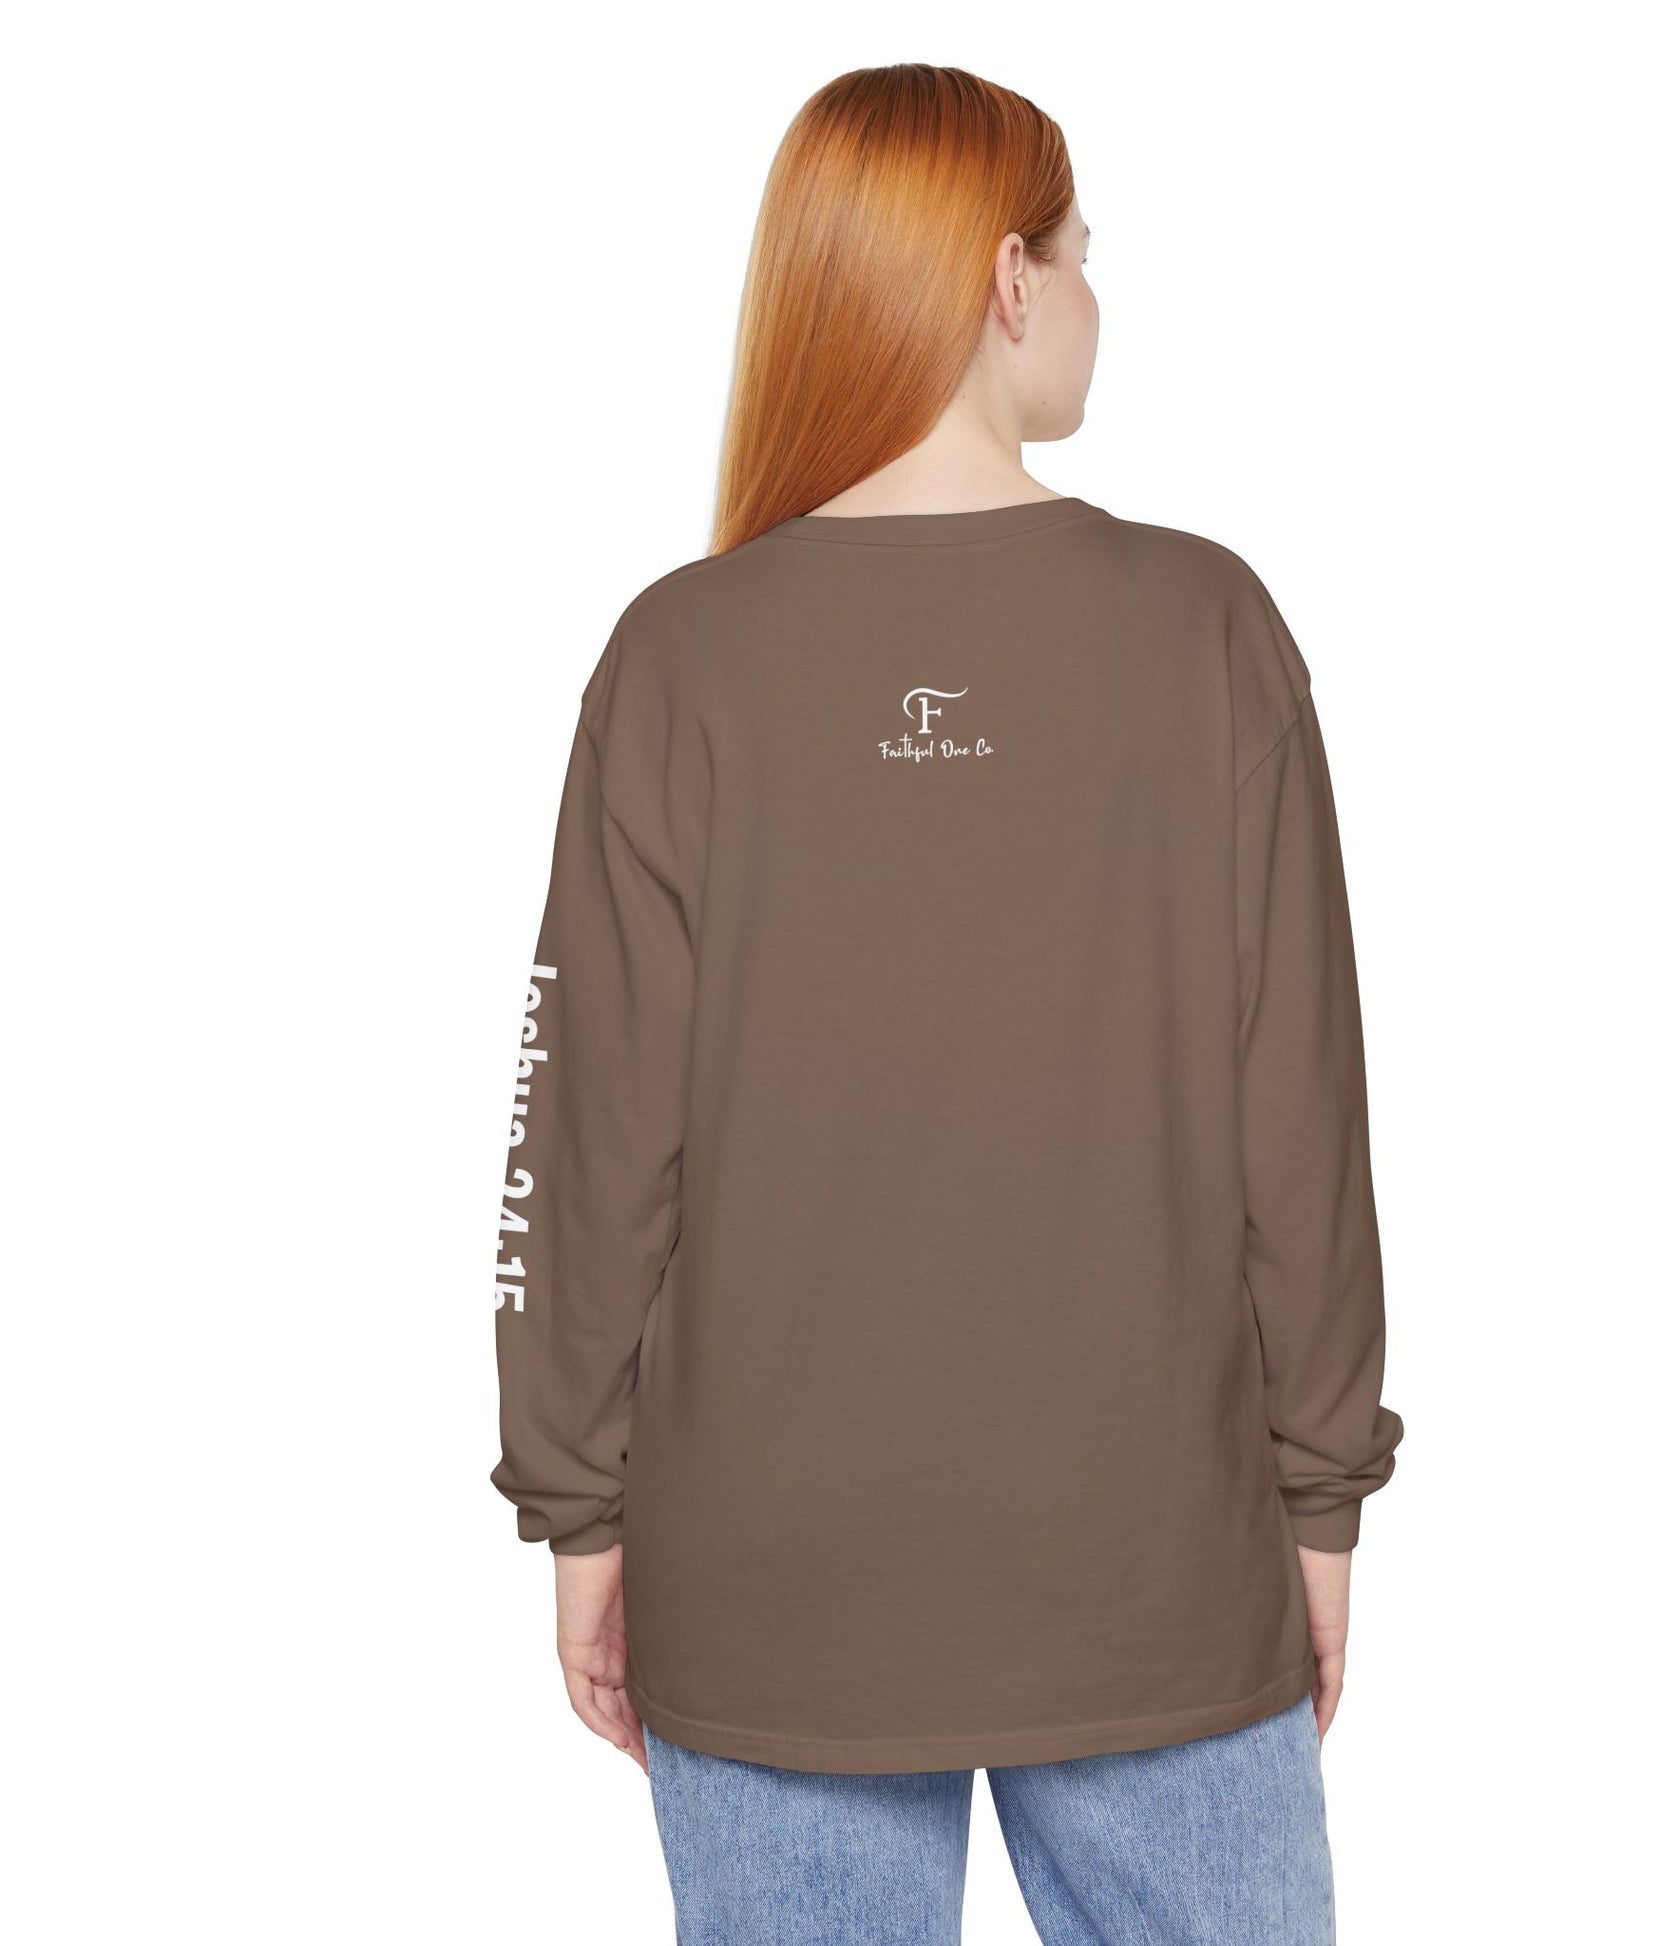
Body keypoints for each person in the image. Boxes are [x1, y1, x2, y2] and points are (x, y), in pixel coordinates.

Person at [491, 62, 1404, 1946]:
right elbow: (1302, 1122)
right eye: (1081, 254)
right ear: (1007, 279)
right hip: (1152, 1574)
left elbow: (584, 1142)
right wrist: (1322, 1499)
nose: (1093, 297)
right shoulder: (1205, 629)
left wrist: (578, 1507)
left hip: (771, 1582)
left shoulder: (682, 653)